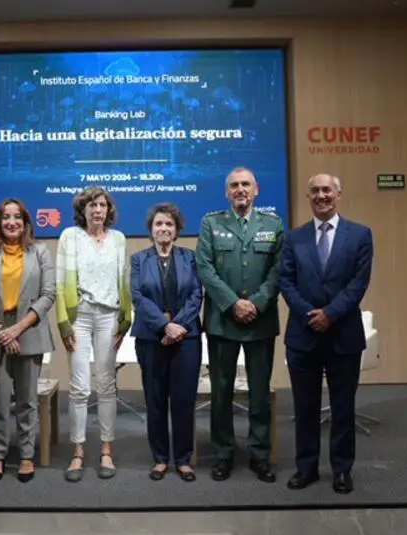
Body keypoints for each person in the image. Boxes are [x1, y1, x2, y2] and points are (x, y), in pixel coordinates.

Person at [278, 173, 373, 495]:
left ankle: (342, 470)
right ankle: (306, 468)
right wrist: (310, 314)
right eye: (315, 191)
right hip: (303, 336)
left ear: (338, 194)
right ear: (308, 197)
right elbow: (286, 281)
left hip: (343, 334)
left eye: (327, 190)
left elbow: (359, 283)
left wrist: (330, 314)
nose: (321, 195)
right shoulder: (293, 238)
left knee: (343, 408)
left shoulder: (360, 235)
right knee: (305, 408)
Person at [195, 166, 284, 483]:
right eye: (234, 185)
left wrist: (256, 303)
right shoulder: (211, 223)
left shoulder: (273, 224)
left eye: (246, 184)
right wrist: (233, 304)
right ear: (227, 192)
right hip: (223, 321)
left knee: (260, 393)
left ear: (256, 189)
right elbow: (205, 268)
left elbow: (278, 270)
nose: (240, 189)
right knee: (221, 392)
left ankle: (260, 455)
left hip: (260, 321)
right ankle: (223, 454)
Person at [0, 198, 56, 483]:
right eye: (6, 217)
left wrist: (16, 329)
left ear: (25, 221)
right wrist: (0, 329)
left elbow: (48, 294)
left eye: (17, 217)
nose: (11, 222)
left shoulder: (40, 251)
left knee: (27, 401)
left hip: (28, 330)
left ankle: (27, 456)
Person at [56, 186, 132, 482]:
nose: (97, 210)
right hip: (80, 318)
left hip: (109, 317)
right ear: (83, 210)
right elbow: (60, 282)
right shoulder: (69, 236)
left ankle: (106, 450)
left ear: (108, 209)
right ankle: (77, 452)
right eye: (91, 205)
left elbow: (124, 282)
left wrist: (125, 320)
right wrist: (63, 322)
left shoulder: (118, 239)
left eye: (102, 205)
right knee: (78, 387)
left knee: (106, 385)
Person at [130, 203, 203, 482]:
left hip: (187, 338)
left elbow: (196, 294)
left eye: (169, 224)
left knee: (184, 400)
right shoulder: (139, 259)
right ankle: (160, 458)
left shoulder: (190, 257)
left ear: (177, 229)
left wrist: (178, 326)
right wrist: (164, 326)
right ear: (151, 229)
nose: (163, 228)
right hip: (151, 338)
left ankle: (183, 459)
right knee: (155, 400)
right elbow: (138, 297)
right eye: (158, 224)